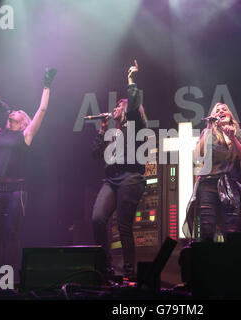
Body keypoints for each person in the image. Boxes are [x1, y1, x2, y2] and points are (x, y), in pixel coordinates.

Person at [0, 68, 57, 281]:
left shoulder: (26, 134)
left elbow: (42, 110)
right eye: (13, 110)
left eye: (18, 111)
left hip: (15, 190)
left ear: (24, 119)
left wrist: (46, 85)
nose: (14, 111)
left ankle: (8, 280)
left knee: (12, 234)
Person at [91, 60, 147, 278]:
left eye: (118, 106)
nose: (113, 109)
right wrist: (101, 130)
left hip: (131, 177)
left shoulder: (134, 126)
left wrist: (131, 81)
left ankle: (129, 273)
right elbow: (95, 154)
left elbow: (134, 108)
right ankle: (105, 267)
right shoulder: (112, 132)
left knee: (124, 226)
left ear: (125, 111)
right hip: (111, 179)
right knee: (97, 219)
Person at [184, 102, 241, 242]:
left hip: (231, 184)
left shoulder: (239, 133)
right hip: (208, 184)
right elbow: (197, 156)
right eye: (217, 110)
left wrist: (233, 138)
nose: (221, 111)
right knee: (207, 229)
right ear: (213, 116)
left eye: (224, 109)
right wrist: (208, 128)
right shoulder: (208, 133)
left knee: (232, 230)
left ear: (230, 115)